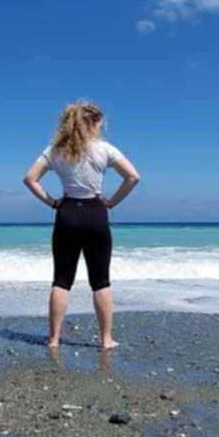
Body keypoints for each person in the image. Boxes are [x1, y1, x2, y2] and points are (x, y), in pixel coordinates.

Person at [23, 102, 141, 351]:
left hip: (66, 214)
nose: (102, 128)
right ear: (93, 123)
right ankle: (106, 339)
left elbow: (29, 179)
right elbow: (133, 177)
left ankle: (54, 339)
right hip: (95, 213)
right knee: (101, 281)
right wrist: (111, 202)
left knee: (61, 280)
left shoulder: (56, 150)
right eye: (101, 124)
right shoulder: (105, 149)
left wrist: (53, 202)